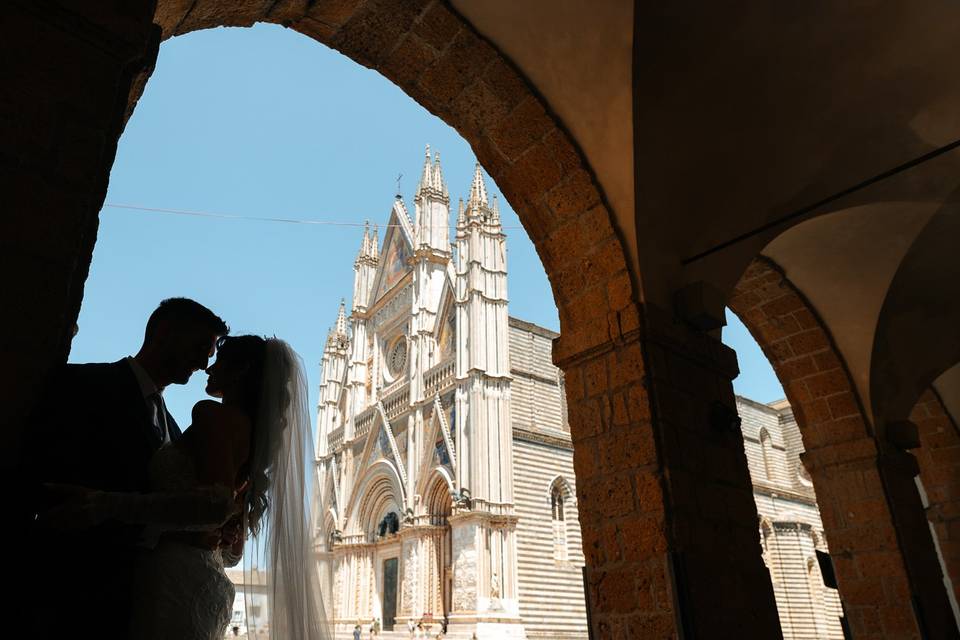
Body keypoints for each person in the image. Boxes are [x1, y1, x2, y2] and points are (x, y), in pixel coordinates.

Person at [37, 335, 330, 640]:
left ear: (240, 371)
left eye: (219, 361)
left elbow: (212, 508)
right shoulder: (251, 437)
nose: (208, 368)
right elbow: (228, 550)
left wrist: (103, 504)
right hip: (204, 577)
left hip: (174, 578)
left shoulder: (212, 415)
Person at [15, 298, 227, 640]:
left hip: (136, 603)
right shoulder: (84, 384)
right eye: (201, 347)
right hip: (68, 594)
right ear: (164, 333)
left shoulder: (173, 428)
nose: (204, 363)